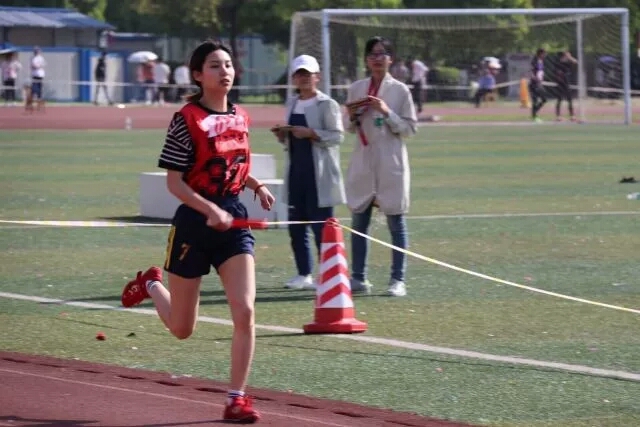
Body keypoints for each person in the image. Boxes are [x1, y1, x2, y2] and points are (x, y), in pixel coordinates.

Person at [120, 40, 274, 424]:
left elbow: (229, 163)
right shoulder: (185, 119)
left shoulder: (241, 116)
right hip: (193, 222)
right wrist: (209, 209)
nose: (225, 71)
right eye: (215, 65)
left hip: (233, 221)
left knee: (245, 310)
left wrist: (255, 185)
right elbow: (175, 182)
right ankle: (152, 283)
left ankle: (236, 399)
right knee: (181, 328)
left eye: (228, 64)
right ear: (198, 75)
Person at [344, 36, 417, 297]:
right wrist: (353, 116)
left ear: (390, 59)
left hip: (390, 161)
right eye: (373, 54)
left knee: (396, 221)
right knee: (359, 221)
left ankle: (398, 279)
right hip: (364, 161)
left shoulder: (400, 91)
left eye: (382, 54)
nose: (377, 59)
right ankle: (358, 277)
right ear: (366, 59)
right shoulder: (356, 88)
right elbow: (348, 127)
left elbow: (409, 129)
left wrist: (387, 112)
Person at [271, 54, 346, 290]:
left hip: (319, 175)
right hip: (296, 172)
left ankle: (328, 275)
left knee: (321, 227)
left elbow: (337, 136)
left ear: (317, 77)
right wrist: (283, 135)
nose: (303, 78)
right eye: (299, 74)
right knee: (296, 227)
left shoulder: (327, 104)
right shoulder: (292, 103)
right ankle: (303, 273)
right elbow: (291, 141)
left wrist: (312, 133)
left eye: (307, 74)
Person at [555, 51, 577, 121]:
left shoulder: (568, 63)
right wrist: (560, 77)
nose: (568, 57)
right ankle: (558, 116)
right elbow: (557, 73)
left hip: (567, 83)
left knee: (569, 99)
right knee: (559, 99)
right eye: (567, 55)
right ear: (564, 56)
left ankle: (572, 115)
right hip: (560, 83)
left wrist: (570, 57)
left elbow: (575, 62)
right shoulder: (559, 63)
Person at [529, 48, 547, 122]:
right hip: (534, 83)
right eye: (544, 53)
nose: (545, 55)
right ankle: (534, 116)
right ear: (540, 54)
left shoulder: (541, 61)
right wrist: (535, 78)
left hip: (539, 83)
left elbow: (540, 72)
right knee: (535, 100)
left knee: (544, 99)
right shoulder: (535, 61)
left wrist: (541, 77)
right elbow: (531, 72)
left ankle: (534, 113)